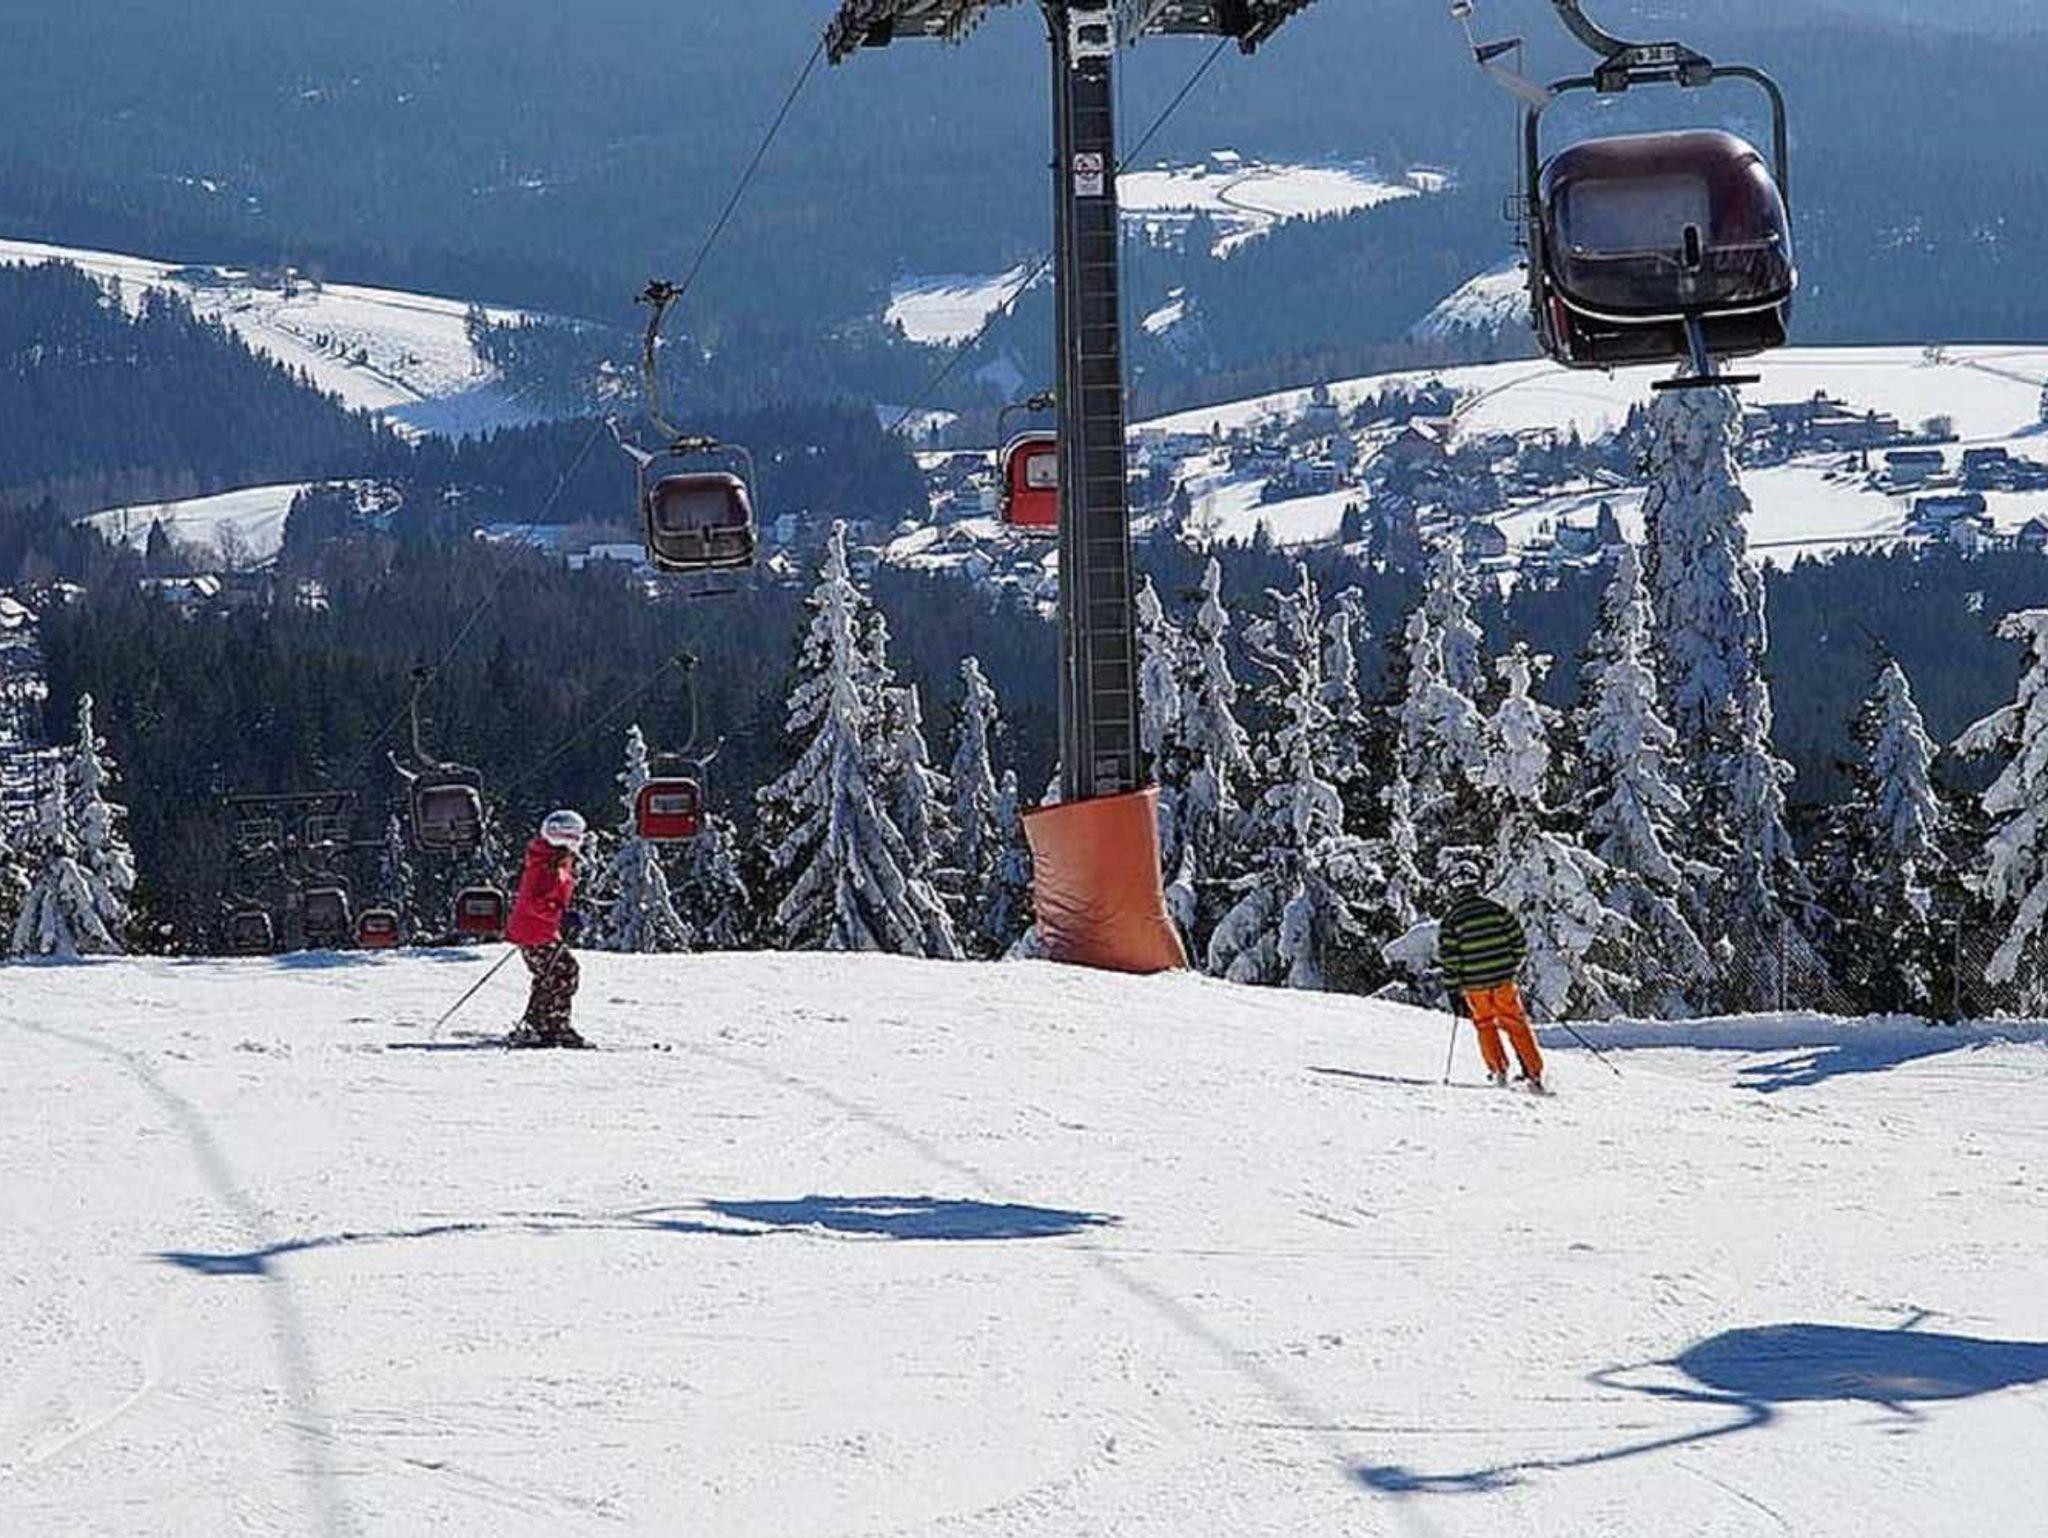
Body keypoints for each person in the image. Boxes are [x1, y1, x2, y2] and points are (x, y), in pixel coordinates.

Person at [1437, 855, 1544, 1091]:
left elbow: (1450, 959)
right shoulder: (1497, 910)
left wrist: (1453, 990)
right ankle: (1533, 1073)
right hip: (1503, 981)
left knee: (1485, 1024)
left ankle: (1498, 1070)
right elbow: (1519, 942)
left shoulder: (1451, 920)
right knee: (1515, 1023)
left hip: (1474, 985)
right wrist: (1510, 966)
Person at [505, 809, 589, 1049]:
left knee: (552, 973)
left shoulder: (551, 860)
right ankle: (553, 1027)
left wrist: (563, 911)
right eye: (577, 836)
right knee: (563, 971)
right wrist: (560, 916)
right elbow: (536, 902)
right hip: (535, 931)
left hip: (538, 930)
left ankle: (540, 1024)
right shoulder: (547, 865)